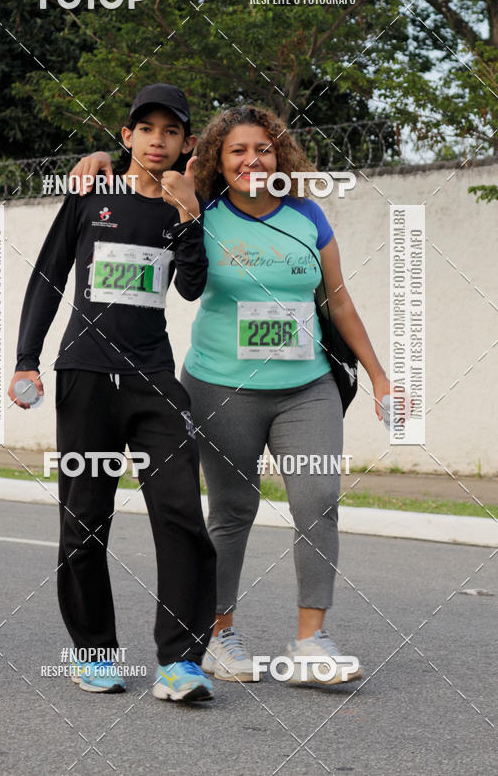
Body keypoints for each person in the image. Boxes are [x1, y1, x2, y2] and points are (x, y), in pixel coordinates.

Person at [75, 105, 392, 688]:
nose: (254, 159)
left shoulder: (307, 217)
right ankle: (220, 635)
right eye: (239, 150)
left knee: (318, 499)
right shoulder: (200, 214)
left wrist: (378, 375)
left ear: (280, 156)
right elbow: (136, 194)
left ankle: (310, 642)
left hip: (308, 387)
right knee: (230, 513)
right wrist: (99, 161)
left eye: (264, 149)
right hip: (222, 388)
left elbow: (338, 302)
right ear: (218, 159)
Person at [8, 84, 217, 703]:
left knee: (181, 514)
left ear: (185, 143)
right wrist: (27, 360)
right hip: (85, 376)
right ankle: (94, 652)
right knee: (84, 521)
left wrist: (188, 217)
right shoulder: (91, 192)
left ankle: (181, 663)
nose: (158, 140)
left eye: (171, 131)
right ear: (126, 138)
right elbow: (48, 276)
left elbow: (192, 288)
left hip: (154, 381)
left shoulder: (188, 202)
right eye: (145, 129)